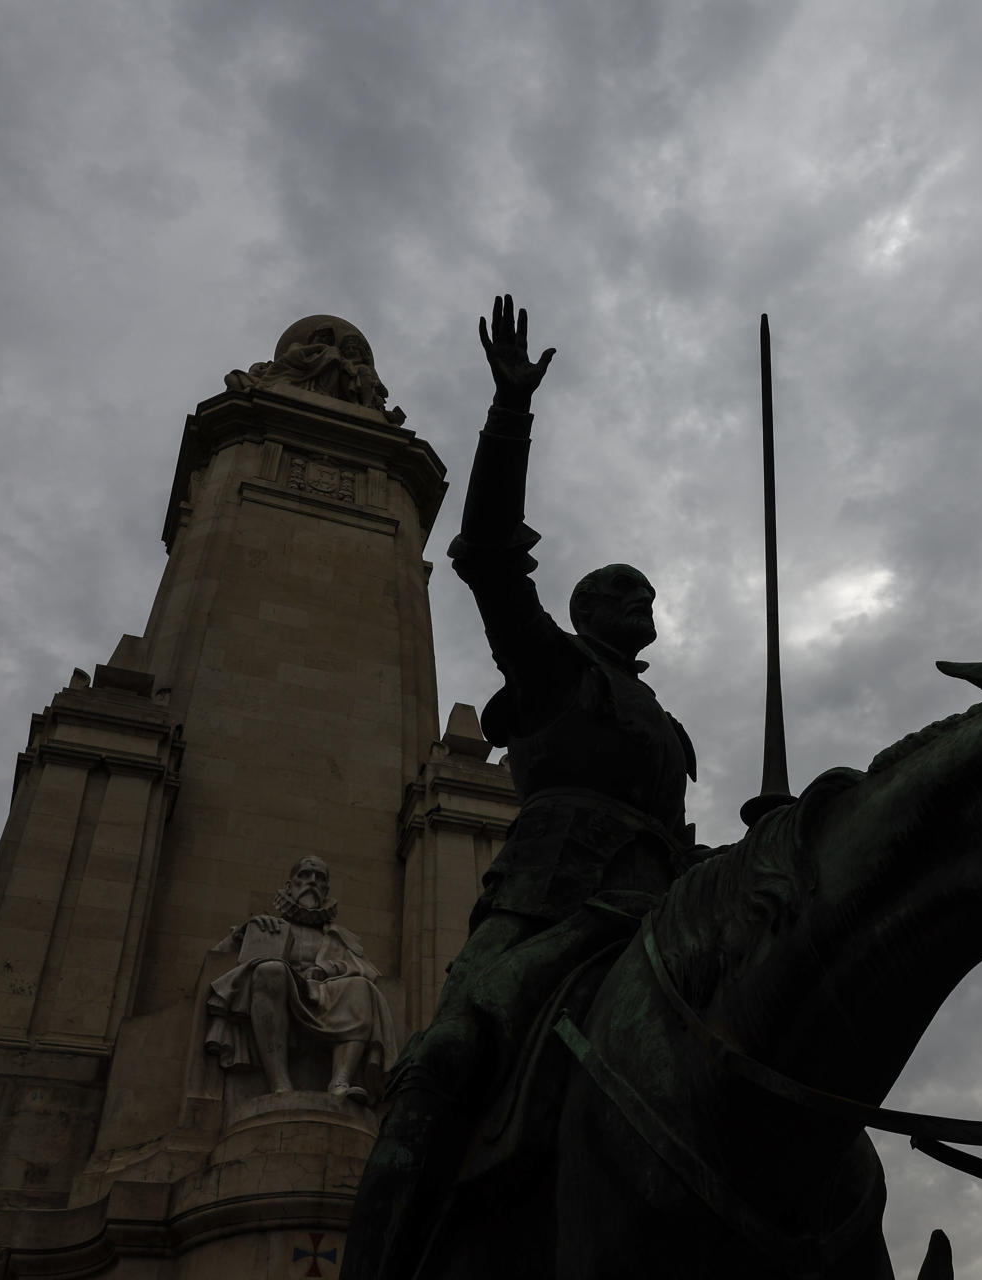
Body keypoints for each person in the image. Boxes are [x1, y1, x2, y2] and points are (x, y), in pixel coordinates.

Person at [343, 296, 699, 1280]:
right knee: (444, 1056)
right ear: (585, 609)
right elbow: (492, 553)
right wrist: (510, 413)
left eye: (651, 596)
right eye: (626, 591)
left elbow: (677, 838)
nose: (645, 603)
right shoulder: (552, 668)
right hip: (549, 908)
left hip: (661, 912)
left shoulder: (663, 725)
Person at [205, 856, 397, 1102]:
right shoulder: (269, 925)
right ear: (289, 886)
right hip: (283, 991)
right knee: (270, 970)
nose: (312, 882)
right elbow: (217, 960)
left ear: (326, 891)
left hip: (325, 995)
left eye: (319, 878)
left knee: (361, 987)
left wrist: (329, 969)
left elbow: (369, 972)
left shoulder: (338, 936)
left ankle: (340, 1081)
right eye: (304, 875)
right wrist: (242, 934)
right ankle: (280, 1084)